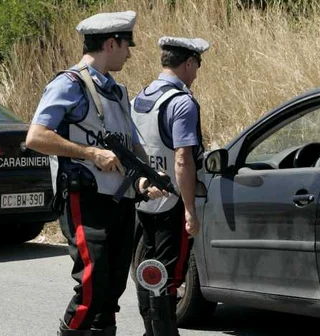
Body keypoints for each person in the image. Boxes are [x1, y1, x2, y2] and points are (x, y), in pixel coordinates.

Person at [25, 11, 168, 336]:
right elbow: (35, 137)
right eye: (125, 45)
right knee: (92, 287)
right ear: (110, 43)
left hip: (120, 202)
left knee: (111, 291)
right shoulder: (69, 84)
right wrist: (90, 153)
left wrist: (144, 178)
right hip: (85, 199)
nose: (129, 53)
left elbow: (132, 145)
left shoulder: (116, 92)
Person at [130, 36, 210, 336]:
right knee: (168, 275)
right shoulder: (181, 102)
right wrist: (190, 210)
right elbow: (182, 159)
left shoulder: (141, 97)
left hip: (143, 198)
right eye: (197, 65)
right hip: (171, 201)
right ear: (188, 63)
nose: (197, 73)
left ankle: (150, 331)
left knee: (147, 268)